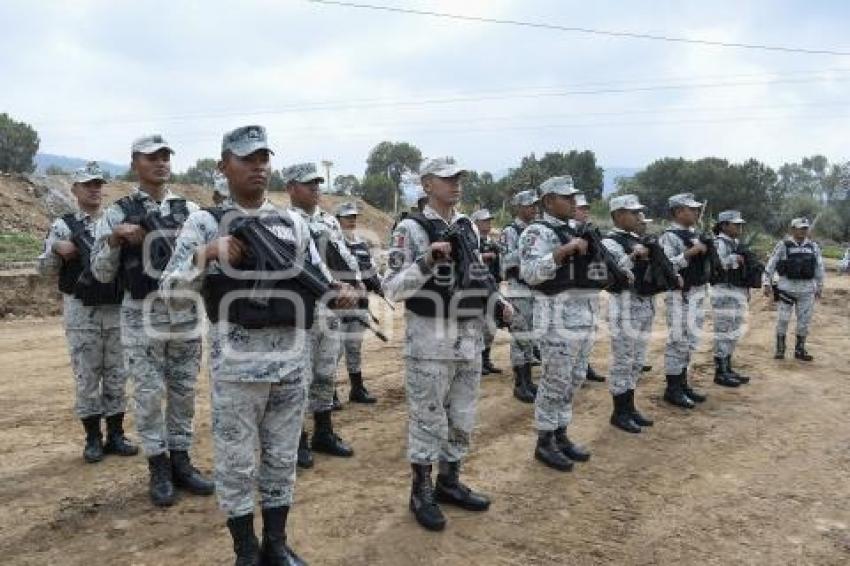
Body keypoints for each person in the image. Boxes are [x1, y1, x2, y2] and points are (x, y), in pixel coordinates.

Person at [161, 125, 355, 565]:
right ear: (223, 165)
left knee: (283, 458)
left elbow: (321, 281)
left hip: (291, 364)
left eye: (264, 157)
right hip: (237, 369)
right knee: (236, 463)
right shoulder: (204, 222)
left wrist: (339, 293)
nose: (258, 166)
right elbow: (169, 291)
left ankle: (276, 544)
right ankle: (245, 550)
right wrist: (208, 253)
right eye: (247, 158)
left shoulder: (294, 223)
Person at [383, 157, 513, 532]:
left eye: (458, 178)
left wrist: (497, 302)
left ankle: (449, 481)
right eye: (446, 179)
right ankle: (420, 491)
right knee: (428, 418)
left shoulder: (467, 224)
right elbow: (391, 287)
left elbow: (478, 274)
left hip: (469, 336)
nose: (455, 184)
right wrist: (426, 260)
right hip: (430, 337)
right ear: (426, 184)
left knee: (462, 416)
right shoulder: (410, 228)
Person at [91, 135, 213, 506]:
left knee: (183, 392)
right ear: (134, 163)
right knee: (147, 394)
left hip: (185, 312)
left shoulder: (191, 209)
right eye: (151, 157)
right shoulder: (117, 212)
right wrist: (114, 240)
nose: (160, 163)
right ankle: (158, 466)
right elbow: (99, 273)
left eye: (165, 156)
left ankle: (181, 460)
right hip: (142, 314)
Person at [37, 162, 137, 463]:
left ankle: (116, 434)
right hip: (82, 313)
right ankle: (93, 438)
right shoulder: (63, 225)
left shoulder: (115, 222)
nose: (95, 189)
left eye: (98, 184)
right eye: (88, 184)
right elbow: (43, 270)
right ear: (75, 189)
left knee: (118, 374)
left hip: (116, 309)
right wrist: (56, 249)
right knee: (87, 377)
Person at [284, 163, 359, 468]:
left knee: (325, 372)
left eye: (317, 183)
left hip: (332, 309)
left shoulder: (329, 220)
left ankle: (324, 431)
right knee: (299, 377)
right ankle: (297, 439)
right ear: (290, 187)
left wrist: (356, 283)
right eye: (307, 184)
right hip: (302, 311)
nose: (315, 188)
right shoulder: (283, 220)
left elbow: (343, 255)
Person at [519, 176, 594, 472]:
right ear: (548, 201)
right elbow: (530, 273)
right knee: (554, 380)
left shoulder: (575, 230)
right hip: (555, 320)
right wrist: (562, 252)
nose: (574, 202)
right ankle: (545, 440)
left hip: (583, 314)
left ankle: (561, 433)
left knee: (574, 378)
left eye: (574, 197)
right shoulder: (537, 232)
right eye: (567, 197)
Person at [601, 195, 677, 433]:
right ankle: (619, 411)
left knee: (636, 361)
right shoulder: (611, 242)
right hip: (625, 307)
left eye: (638, 212)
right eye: (633, 213)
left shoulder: (640, 239)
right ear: (618, 215)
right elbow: (612, 272)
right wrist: (635, 255)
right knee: (623, 361)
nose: (638, 216)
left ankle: (630, 407)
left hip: (645, 305)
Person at [659, 193, 713, 409]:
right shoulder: (669, 237)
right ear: (678, 211)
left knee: (690, 341)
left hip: (698, 292)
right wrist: (690, 253)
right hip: (680, 295)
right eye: (691, 209)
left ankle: (682, 383)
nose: (696, 212)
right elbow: (665, 266)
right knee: (678, 341)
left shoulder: (696, 234)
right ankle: (672, 388)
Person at [762, 217, 825, 361]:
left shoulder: (813, 247)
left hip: (807, 290)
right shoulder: (783, 245)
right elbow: (771, 264)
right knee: (783, 319)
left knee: (804, 321)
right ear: (792, 229)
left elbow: (819, 267)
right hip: (786, 289)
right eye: (800, 228)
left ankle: (800, 349)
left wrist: (820, 286)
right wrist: (766, 282)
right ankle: (780, 349)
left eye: (805, 228)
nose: (803, 231)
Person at [335, 201, 378, 404]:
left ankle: (357, 388)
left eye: (354, 217)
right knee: (334, 350)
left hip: (359, 302)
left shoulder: (361, 244)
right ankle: (329, 394)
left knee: (354, 346)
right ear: (337, 220)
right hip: (339, 303)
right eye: (347, 217)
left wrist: (372, 282)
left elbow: (370, 269)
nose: (351, 221)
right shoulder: (333, 243)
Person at [500, 190, 539, 403]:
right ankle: (519, 383)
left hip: (534, 287)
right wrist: (526, 252)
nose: (534, 209)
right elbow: (506, 261)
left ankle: (529, 380)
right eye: (530, 205)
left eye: (535, 205)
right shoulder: (511, 231)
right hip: (519, 288)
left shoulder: (535, 229)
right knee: (519, 335)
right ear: (519, 207)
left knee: (530, 335)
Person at [710, 210, 753, 387]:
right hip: (724, 293)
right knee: (724, 331)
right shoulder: (719, 243)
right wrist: (734, 259)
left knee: (734, 331)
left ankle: (728, 367)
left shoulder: (735, 243)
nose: (740, 227)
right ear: (724, 225)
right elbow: (717, 265)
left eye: (740, 224)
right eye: (736, 224)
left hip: (737, 291)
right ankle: (720, 372)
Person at [572, 193, 606, 384]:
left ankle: (585, 367)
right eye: (581, 208)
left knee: (589, 332)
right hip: (574, 292)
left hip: (590, 290)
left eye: (587, 209)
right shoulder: (568, 234)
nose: (586, 212)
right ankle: (576, 370)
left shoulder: (590, 231)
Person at [471, 208, 503, 376]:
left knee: (491, 326)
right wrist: (484, 257)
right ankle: (478, 361)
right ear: (475, 223)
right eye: (484, 221)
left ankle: (486, 360)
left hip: (493, 286)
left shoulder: (492, 241)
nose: (488, 224)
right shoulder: (471, 241)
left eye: (489, 221)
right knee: (479, 326)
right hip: (477, 289)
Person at [636, 212, 655, 374]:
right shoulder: (622, 241)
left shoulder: (646, 242)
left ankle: (639, 362)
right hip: (631, 298)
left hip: (647, 297)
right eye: (642, 223)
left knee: (643, 336)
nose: (645, 226)